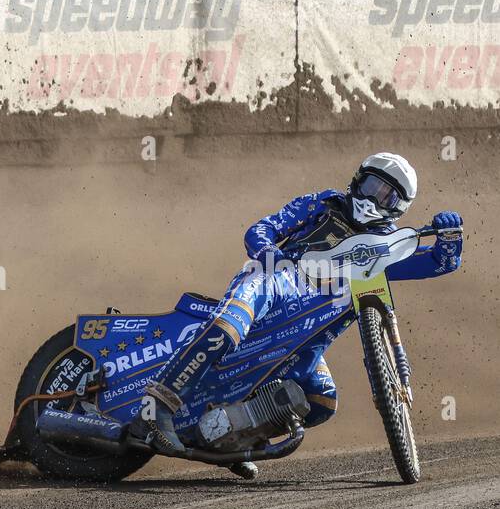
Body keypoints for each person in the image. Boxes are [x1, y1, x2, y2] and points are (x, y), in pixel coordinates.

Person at [139, 152, 463, 454]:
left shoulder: (388, 247)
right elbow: (263, 228)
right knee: (229, 324)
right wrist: (268, 252)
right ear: (357, 179)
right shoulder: (322, 203)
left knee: (322, 402)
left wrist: (450, 239)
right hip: (276, 281)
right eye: (370, 185)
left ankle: (230, 437)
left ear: (399, 207)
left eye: (385, 195)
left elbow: (438, 262)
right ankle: (159, 406)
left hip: (309, 338)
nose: (372, 198)